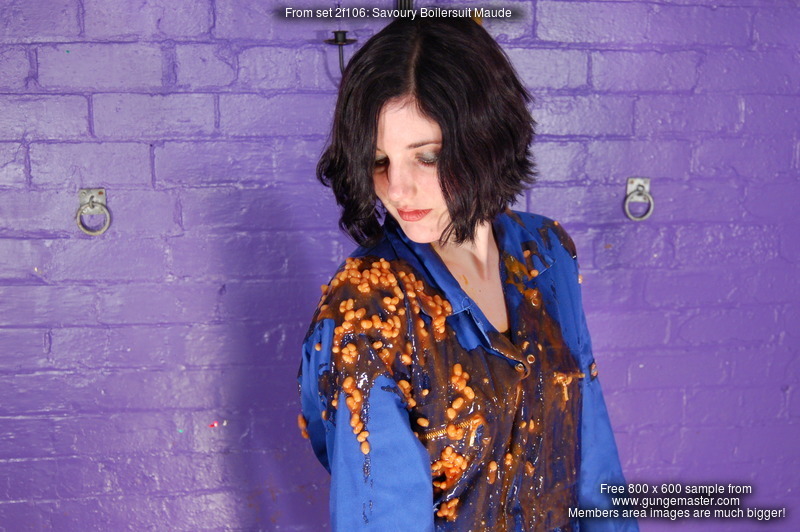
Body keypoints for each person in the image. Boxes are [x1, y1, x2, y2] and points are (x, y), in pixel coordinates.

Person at [297, 17, 637, 531]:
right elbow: (382, 514)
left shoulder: (548, 253)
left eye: (428, 157)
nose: (398, 189)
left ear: (486, 138)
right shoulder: (370, 309)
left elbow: (591, 450)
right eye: (379, 160)